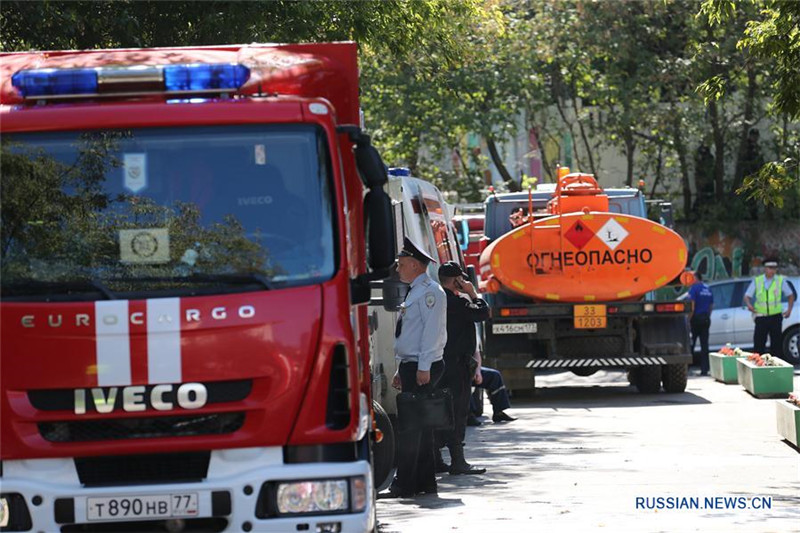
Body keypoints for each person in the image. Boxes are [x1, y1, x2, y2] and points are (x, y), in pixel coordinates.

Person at [385, 237, 447, 498]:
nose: (398, 269)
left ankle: (405, 485)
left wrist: (422, 368)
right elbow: (409, 335)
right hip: (414, 365)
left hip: (425, 365)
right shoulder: (417, 290)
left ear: (414, 265)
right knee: (419, 428)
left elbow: (431, 334)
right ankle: (424, 482)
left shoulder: (432, 291)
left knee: (411, 429)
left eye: (401, 264)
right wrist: (402, 367)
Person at [435, 261, 488, 475]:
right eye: (461, 279)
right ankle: (458, 461)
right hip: (456, 365)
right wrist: (473, 293)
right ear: (457, 280)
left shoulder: (439, 299)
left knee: (439, 410)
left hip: (441, 363)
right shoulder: (456, 302)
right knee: (458, 411)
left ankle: (437, 458)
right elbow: (483, 313)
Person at [743, 258, 795, 359]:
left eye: (774, 268)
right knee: (759, 344)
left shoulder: (780, 281)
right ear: (765, 269)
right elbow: (747, 296)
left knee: (776, 345)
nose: (772, 270)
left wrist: (789, 310)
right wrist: (749, 305)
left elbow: (790, 295)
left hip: (775, 317)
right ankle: (758, 367)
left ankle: (775, 368)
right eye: (770, 268)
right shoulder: (757, 281)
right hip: (761, 317)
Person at [469, 348, 516, 424]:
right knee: (464, 380)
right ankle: (468, 415)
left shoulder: (471, 337)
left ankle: (498, 412)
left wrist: (477, 371)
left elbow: (476, 353)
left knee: (494, 376)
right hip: (455, 369)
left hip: (470, 367)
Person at [687, 272, 714, 376]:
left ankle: (687, 368)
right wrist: (707, 316)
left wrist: (688, 319)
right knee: (704, 345)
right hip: (705, 319)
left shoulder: (694, 289)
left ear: (696, 278)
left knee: (691, 344)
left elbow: (692, 305)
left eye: (691, 277)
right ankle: (704, 369)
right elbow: (711, 305)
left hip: (696, 319)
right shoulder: (708, 288)